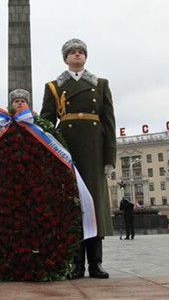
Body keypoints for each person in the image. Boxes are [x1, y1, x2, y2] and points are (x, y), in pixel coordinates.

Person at [41, 38, 116, 279]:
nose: (77, 55)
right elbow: (47, 123)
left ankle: (95, 262)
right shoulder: (54, 86)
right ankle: (76, 264)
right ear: (65, 58)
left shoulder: (101, 84)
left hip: (94, 148)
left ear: (85, 56)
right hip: (67, 147)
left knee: (94, 204)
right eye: (72, 52)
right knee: (73, 206)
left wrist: (109, 157)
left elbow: (109, 122)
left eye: (81, 52)